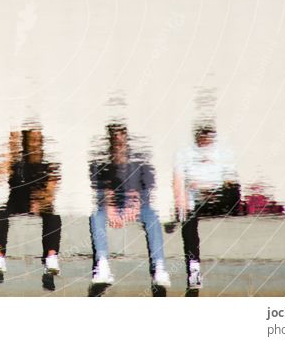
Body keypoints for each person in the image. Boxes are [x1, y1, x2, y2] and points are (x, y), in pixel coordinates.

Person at [88, 123, 170, 290]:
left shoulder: (141, 158)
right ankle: (102, 266)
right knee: (97, 215)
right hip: (112, 206)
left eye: (121, 136)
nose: (118, 141)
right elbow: (99, 189)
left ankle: (159, 268)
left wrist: (135, 204)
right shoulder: (99, 161)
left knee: (152, 216)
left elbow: (148, 187)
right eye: (114, 137)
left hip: (138, 206)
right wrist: (110, 207)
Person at [0, 127, 62, 291]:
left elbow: (51, 193)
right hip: (16, 202)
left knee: (53, 217)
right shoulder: (16, 162)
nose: (34, 144)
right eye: (31, 140)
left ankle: (50, 259)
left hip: (39, 204)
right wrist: (8, 153)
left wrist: (40, 200)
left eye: (37, 140)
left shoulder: (49, 165)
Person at [173, 125, 240, 291]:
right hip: (196, 200)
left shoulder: (223, 153)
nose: (205, 138)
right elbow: (178, 180)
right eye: (202, 134)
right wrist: (181, 198)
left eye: (208, 134)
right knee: (188, 214)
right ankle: (194, 268)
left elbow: (231, 181)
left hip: (217, 197)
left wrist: (209, 190)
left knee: (233, 191)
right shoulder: (185, 154)